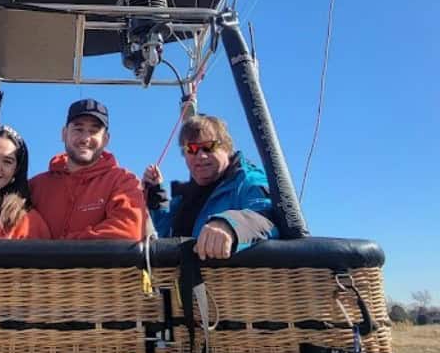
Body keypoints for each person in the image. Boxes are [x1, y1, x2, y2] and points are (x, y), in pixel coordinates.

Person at [143, 114, 276, 259]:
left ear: (227, 147)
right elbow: (166, 234)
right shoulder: (185, 197)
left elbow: (268, 216)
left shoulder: (248, 181)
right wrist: (157, 194)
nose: (200, 156)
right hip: (183, 278)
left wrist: (229, 225)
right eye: (192, 149)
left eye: (208, 147)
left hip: (228, 279)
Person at [30, 99, 145, 239]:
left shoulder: (124, 181)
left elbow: (127, 232)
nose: (85, 138)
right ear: (64, 134)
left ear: (106, 139)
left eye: (94, 131)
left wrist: (60, 248)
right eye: (78, 129)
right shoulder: (35, 186)